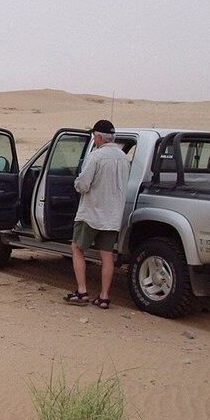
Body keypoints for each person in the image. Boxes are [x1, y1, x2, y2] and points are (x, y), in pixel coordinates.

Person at [64, 119, 130, 310]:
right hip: (113, 214)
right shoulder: (124, 158)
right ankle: (104, 296)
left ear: (99, 137)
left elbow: (83, 185)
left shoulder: (96, 157)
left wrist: (76, 182)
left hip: (91, 212)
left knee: (77, 247)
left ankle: (82, 291)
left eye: (95, 136)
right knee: (107, 255)